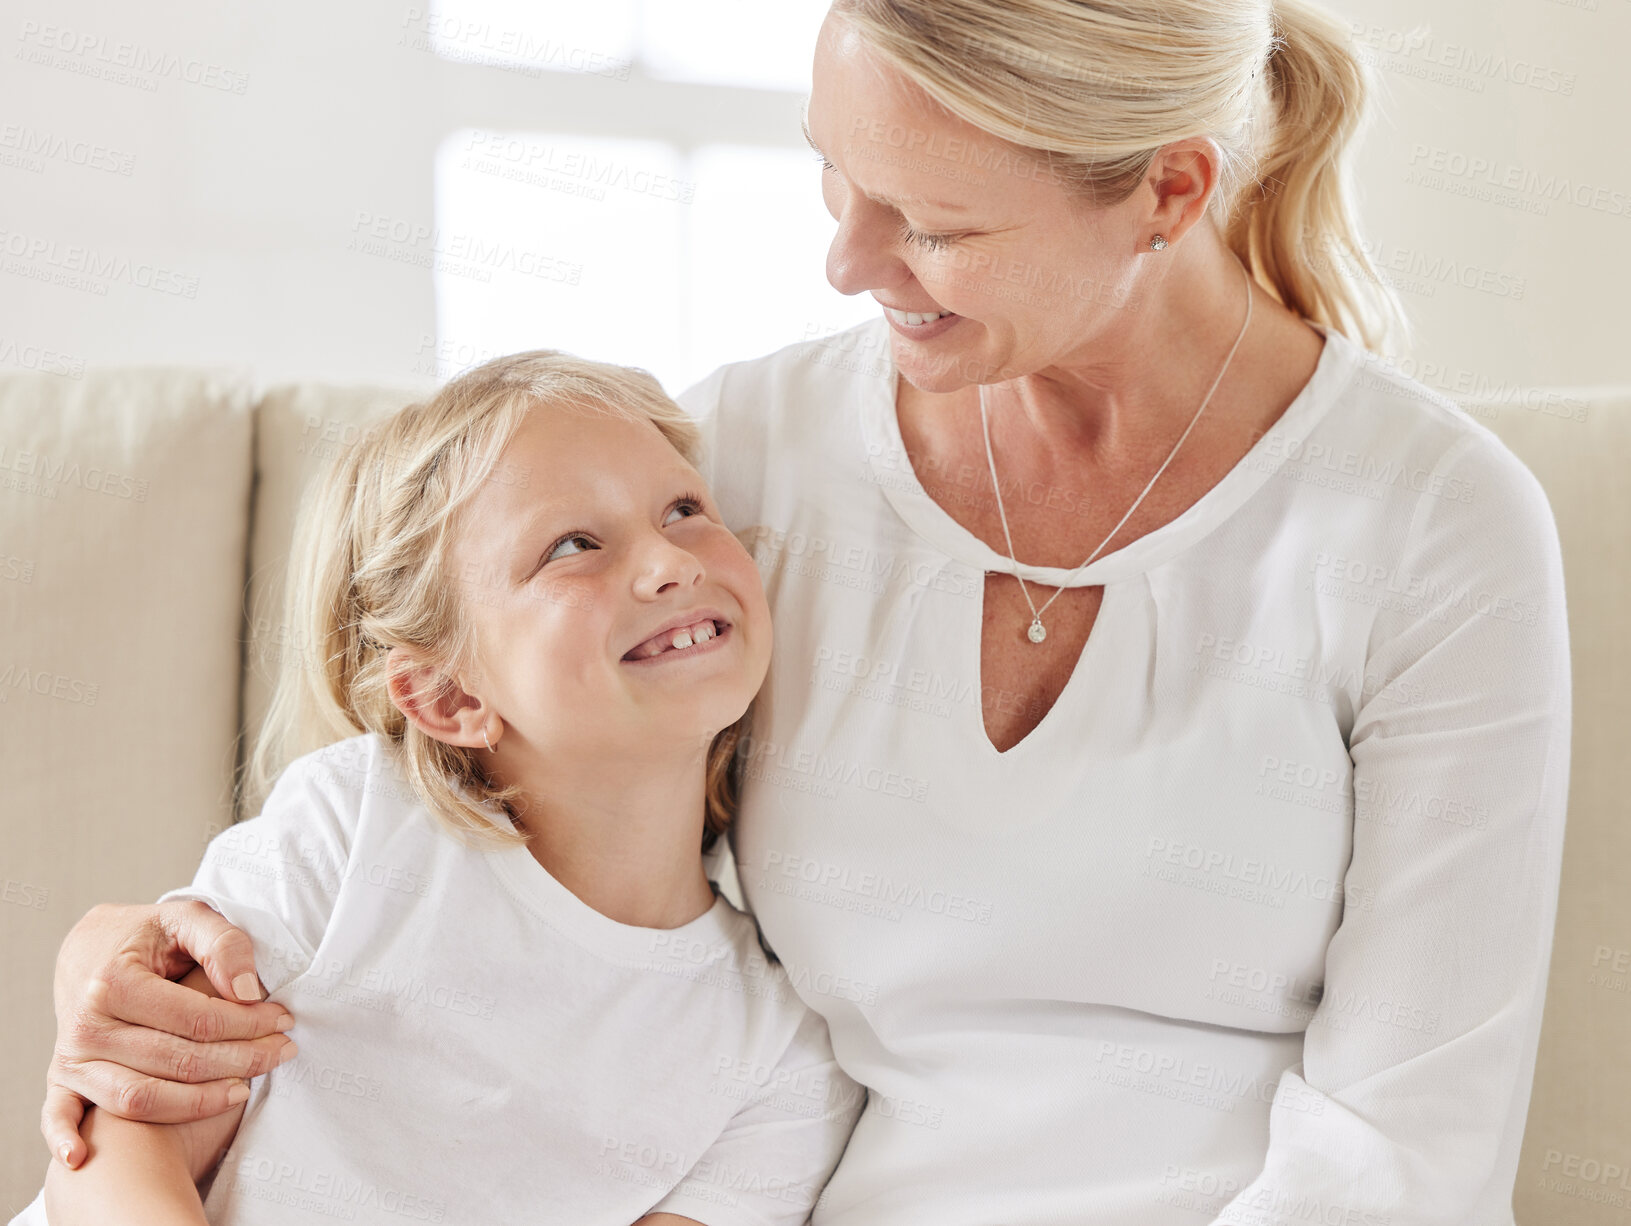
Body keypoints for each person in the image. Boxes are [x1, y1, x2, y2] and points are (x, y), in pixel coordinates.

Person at [38, 1, 1571, 1222]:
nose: (844, 263)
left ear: (1166, 188)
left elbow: (1402, 1150)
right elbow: (498, 820)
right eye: (832, 177)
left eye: (932, 223)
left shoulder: (1431, 523)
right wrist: (113, 954)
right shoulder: (752, 461)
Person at [14, 352, 861, 1225]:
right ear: (451, 697)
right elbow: (114, 1146)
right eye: (575, 545)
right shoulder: (353, 835)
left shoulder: (781, 1055)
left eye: (683, 509)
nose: (668, 562)